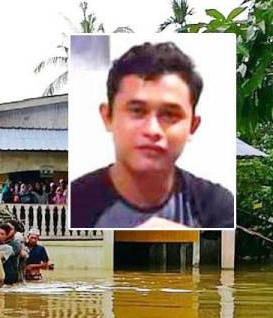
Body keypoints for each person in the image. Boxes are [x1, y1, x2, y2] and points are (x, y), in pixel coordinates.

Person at [69, 41, 234, 229]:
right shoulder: (76, 203)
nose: (152, 130)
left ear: (192, 126)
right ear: (108, 117)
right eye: (137, 111)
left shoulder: (217, 207)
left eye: (170, 114)